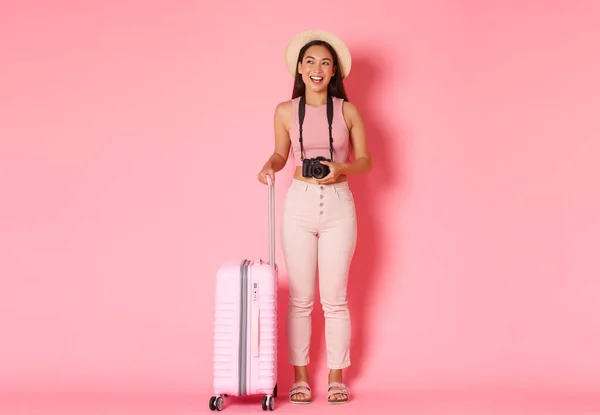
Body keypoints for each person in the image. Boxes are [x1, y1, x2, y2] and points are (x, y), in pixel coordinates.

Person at [257, 30, 371, 405]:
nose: (317, 69)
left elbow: (366, 161)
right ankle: (300, 378)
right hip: (300, 203)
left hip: (339, 203)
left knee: (335, 299)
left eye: (325, 62)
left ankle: (337, 378)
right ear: (300, 69)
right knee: (301, 299)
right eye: (310, 62)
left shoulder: (347, 111)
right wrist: (269, 166)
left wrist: (342, 169)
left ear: (335, 69)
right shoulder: (286, 111)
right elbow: (279, 154)